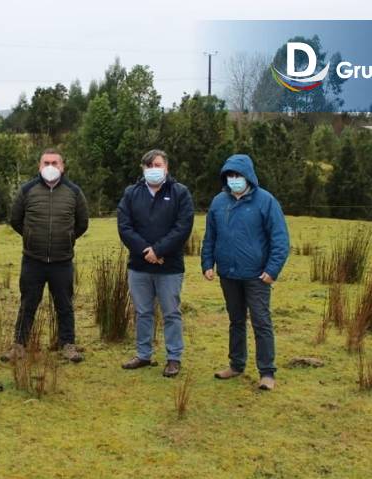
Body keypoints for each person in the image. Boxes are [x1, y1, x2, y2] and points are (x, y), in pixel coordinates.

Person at [201, 154, 289, 391]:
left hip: (256, 276)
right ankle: (236, 364)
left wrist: (272, 270)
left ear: (248, 175)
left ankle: (267, 372)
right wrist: (207, 263)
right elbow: (210, 236)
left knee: (261, 321)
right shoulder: (219, 202)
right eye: (229, 175)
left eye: (238, 175)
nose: (234, 179)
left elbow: (280, 239)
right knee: (235, 320)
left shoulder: (266, 201)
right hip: (228, 274)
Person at [1, 148, 89, 363]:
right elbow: (16, 219)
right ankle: (19, 346)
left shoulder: (74, 192)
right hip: (33, 260)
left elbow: (82, 223)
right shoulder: (27, 190)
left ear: (63, 167)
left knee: (65, 305)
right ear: (39, 167)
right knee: (28, 304)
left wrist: (66, 238)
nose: (50, 167)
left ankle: (67, 345)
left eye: (55, 163)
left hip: (62, 261)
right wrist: (32, 237)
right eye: (46, 163)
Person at [117, 149, 194, 378]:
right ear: (143, 169)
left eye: (157, 165)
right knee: (142, 312)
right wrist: (145, 251)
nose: (153, 170)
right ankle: (143, 354)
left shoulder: (180, 193)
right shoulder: (131, 193)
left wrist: (159, 250)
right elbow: (124, 226)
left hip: (169, 267)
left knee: (171, 312)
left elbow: (183, 227)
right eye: (149, 166)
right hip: (139, 267)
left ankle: (174, 358)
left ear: (166, 168)